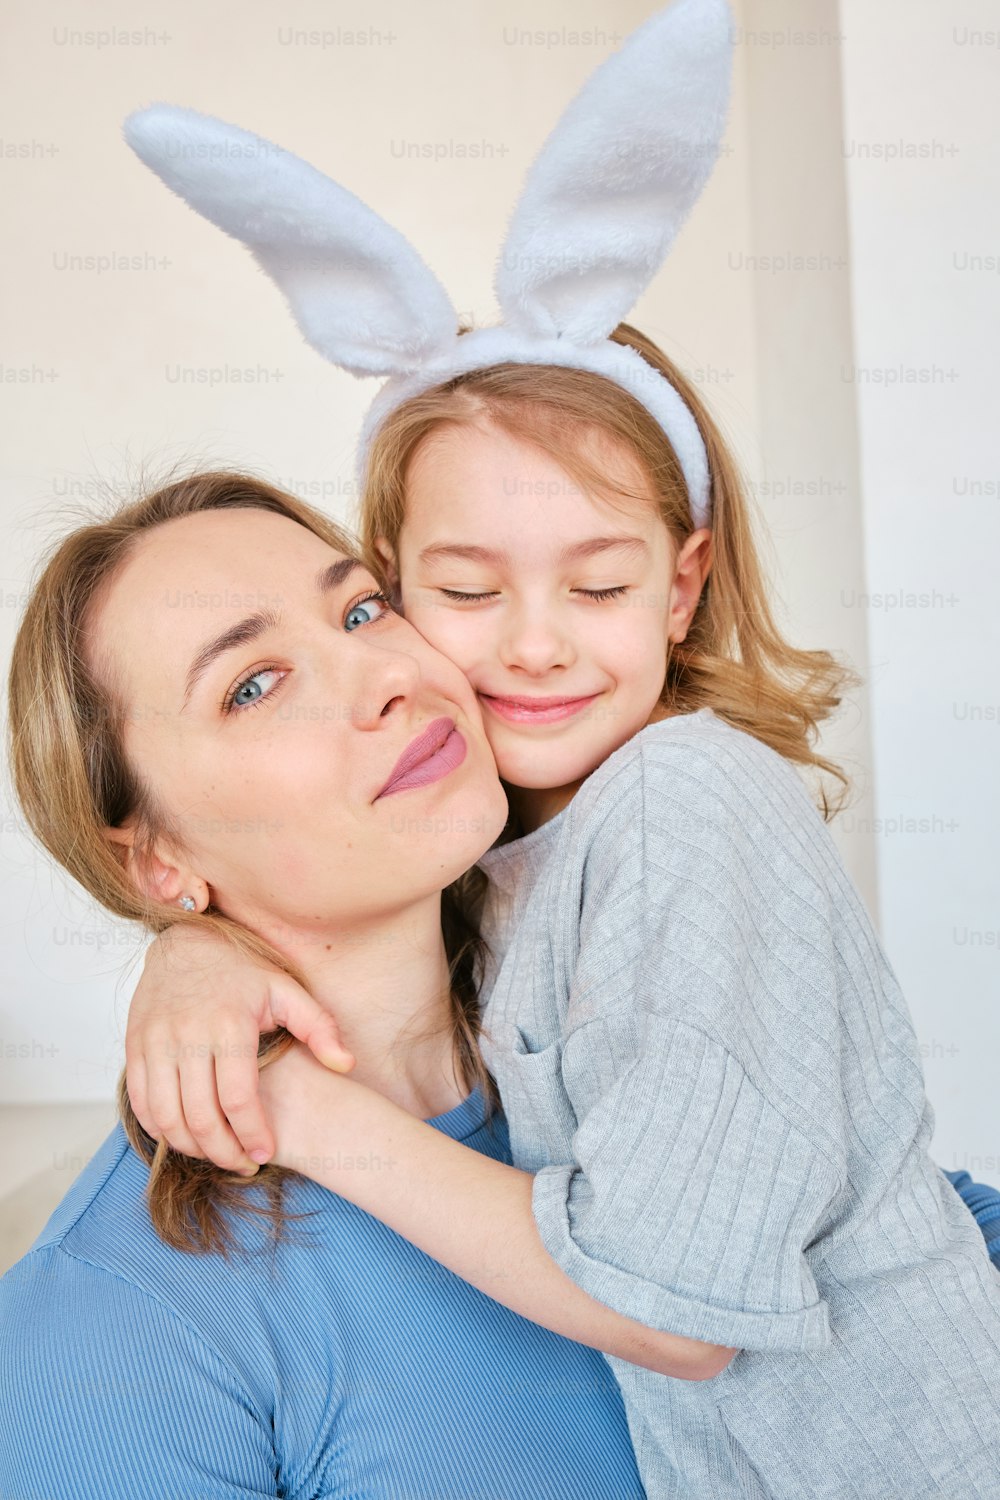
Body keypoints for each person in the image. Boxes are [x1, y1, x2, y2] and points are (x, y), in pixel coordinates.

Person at [0, 472, 681, 1499]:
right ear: (151, 861)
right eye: (252, 685)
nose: (382, 676)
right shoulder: (107, 1327)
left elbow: (903, 1240)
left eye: (365, 609)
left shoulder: (619, 1034)